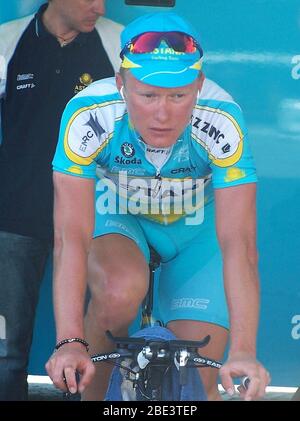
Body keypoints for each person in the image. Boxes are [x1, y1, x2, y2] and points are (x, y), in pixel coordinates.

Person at [45, 12, 270, 401]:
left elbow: (239, 244)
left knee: (196, 381)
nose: (162, 113)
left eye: (178, 95)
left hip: (197, 229)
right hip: (120, 214)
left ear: (198, 85)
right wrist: (69, 340)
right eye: (147, 95)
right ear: (121, 84)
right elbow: (71, 236)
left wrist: (245, 352)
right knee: (117, 292)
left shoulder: (222, 117)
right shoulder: (88, 113)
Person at [0, 0, 123, 401]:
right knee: (6, 351)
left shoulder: (120, 42)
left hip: (98, 220)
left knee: (94, 347)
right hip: (17, 217)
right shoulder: (9, 39)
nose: (100, 7)